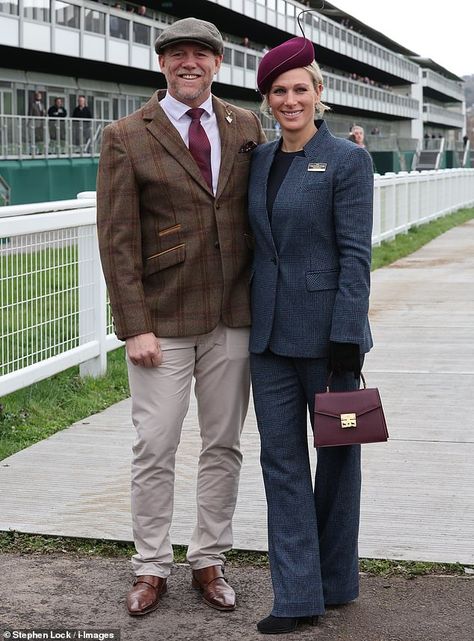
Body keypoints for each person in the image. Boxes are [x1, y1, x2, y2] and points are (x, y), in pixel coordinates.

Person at [96, 17, 265, 618]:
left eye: (201, 54)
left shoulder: (245, 124)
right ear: (162, 64)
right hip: (161, 323)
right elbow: (116, 240)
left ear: (218, 64)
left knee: (223, 444)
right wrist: (133, 323)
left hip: (233, 315)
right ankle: (150, 567)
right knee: (156, 445)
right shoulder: (125, 135)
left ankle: (209, 559)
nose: (189, 63)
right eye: (177, 55)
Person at [247, 36, 374, 634]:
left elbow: (355, 254)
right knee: (282, 463)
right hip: (268, 341)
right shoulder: (259, 161)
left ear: (319, 94)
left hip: (329, 343)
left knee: (339, 457)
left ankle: (335, 579)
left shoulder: (349, 162)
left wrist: (349, 331)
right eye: (280, 91)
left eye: (301, 88)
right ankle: (296, 595)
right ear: (268, 100)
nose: (291, 99)